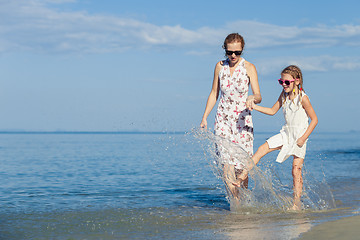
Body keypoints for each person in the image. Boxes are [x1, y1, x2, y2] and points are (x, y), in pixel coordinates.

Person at [237, 65, 318, 210]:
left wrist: (304, 138)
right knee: (262, 148)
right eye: (281, 82)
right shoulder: (284, 96)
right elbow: (272, 111)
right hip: (286, 134)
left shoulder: (303, 98)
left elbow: (314, 120)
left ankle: (296, 204)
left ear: (297, 81)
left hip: (300, 136)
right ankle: (243, 175)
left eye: (287, 82)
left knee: (296, 170)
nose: (284, 85)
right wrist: (254, 107)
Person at [200, 33, 261, 199]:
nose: (233, 56)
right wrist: (205, 116)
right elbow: (214, 93)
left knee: (242, 168)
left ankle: (245, 199)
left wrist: (252, 97)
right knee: (227, 165)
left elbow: (258, 95)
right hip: (223, 121)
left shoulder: (249, 67)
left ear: (242, 50)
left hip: (243, 122)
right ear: (225, 50)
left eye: (237, 52)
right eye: (229, 52)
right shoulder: (220, 67)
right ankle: (236, 204)